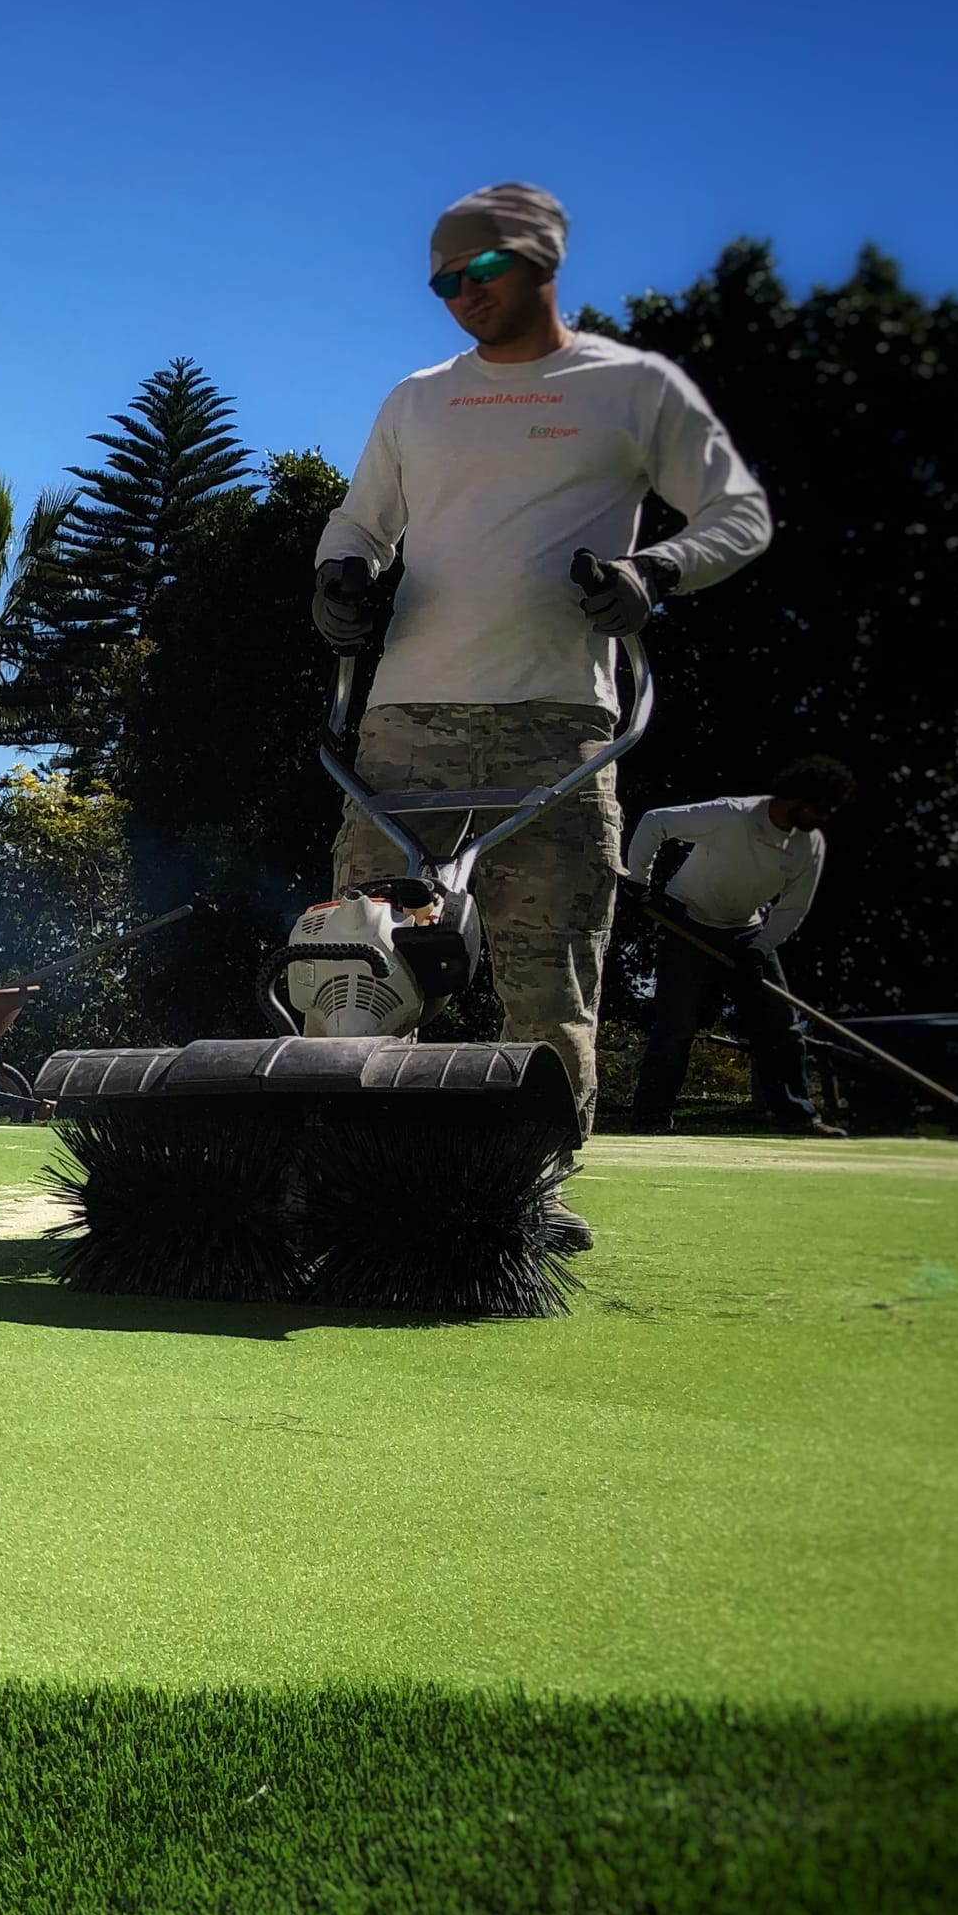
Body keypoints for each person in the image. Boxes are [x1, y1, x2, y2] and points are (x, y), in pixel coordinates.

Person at [310, 181, 774, 1228]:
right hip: (404, 724)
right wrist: (338, 580)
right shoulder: (415, 399)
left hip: (558, 726)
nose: (456, 296)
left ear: (535, 264)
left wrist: (654, 570)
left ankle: (528, 1191)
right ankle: (357, 1182)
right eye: (439, 282)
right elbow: (356, 525)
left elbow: (737, 515)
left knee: (547, 975)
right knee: (359, 959)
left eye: (475, 273)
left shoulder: (628, 387)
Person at [617, 755, 854, 1135]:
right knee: (675, 1028)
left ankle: (797, 1116)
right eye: (821, 808)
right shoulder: (732, 814)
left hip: (747, 934)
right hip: (687, 925)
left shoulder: (809, 845)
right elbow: (656, 822)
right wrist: (639, 883)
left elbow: (792, 908)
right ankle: (650, 1119)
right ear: (798, 798)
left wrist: (760, 948)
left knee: (782, 1026)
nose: (823, 818)